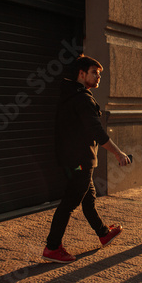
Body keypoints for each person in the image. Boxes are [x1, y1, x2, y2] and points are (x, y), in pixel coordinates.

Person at [42, 54, 131, 263]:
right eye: (94, 73)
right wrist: (119, 153)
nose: (98, 77)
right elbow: (97, 133)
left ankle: (103, 233)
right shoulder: (82, 99)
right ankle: (52, 247)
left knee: (89, 199)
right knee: (70, 203)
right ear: (81, 74)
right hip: (80, 160)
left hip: (75, 159)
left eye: (99, 73)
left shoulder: (71, 94)